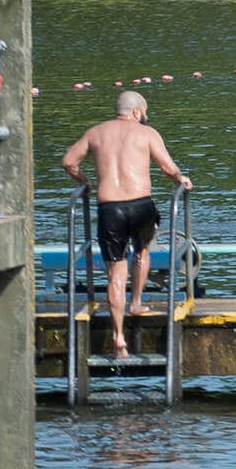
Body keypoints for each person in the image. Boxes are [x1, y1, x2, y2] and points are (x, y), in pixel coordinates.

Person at [60, 91, 193, 360]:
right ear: (135, 112)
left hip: (110, 209)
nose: (145, 117)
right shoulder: (147, 133)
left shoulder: (95, 133)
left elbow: (68, 161)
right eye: (144, 113)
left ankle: (118, 337)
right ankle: (136, 303)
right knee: (142, 251)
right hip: (142, 206)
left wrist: (85, 183)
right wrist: (181, 179)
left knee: (115, 273)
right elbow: (168, 167)